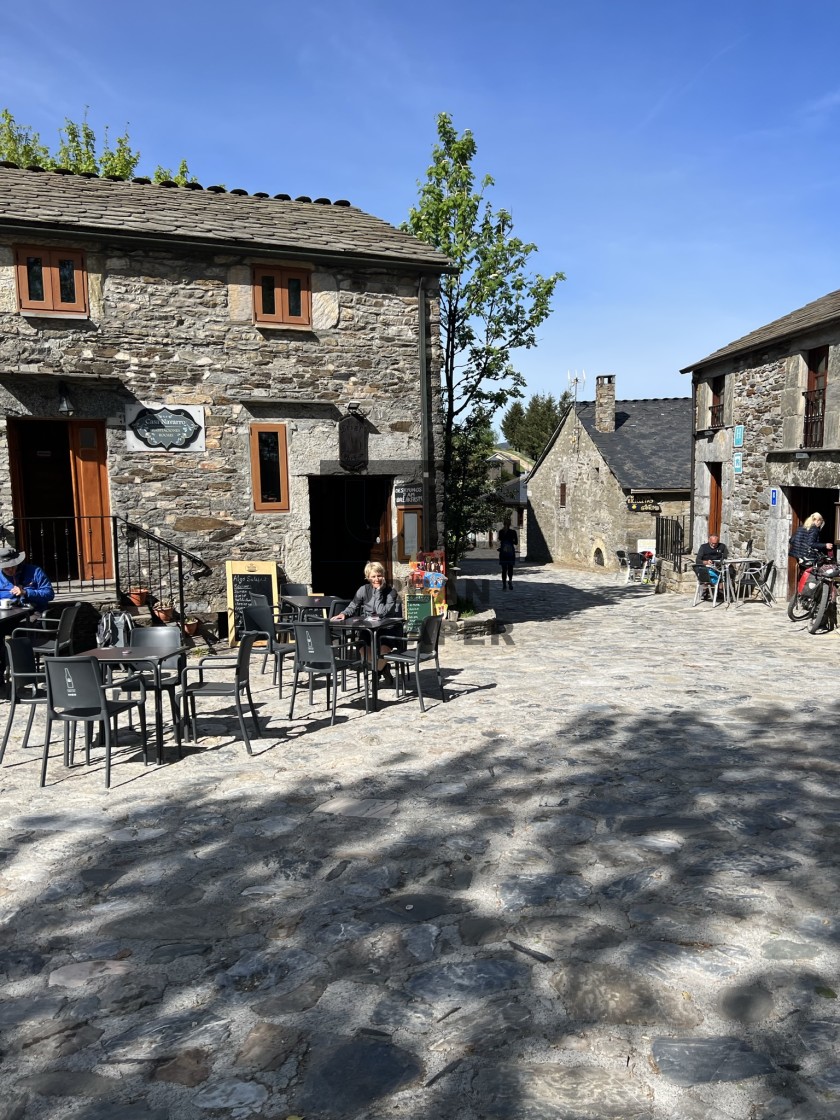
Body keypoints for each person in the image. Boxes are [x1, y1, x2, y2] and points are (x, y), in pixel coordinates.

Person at [331, 561, 400, 686]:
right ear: (368, 577)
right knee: (363, 650)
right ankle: (382, 669)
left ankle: (375, 674)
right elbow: (353, 604)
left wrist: (379, 592)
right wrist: (344, 613)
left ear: (383, 575)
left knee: (383, 650)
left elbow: (381, 612)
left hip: (387, 628)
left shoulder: (391, 592)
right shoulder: (363, 589)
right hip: (369, 628)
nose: (376, 579)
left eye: (379, 575)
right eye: (373, 576)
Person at [0, 546, 54, 611]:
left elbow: (49, 594)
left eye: (13, 566)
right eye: (6, 568)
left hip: (33, 611)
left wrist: (26, 592)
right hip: (8, 612)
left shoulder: (35, 571)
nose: (11, 570)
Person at [693, 533, 726, 601]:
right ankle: (706, 590)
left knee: (727, 571)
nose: (714, 545)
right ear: (709, 541)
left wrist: (719, 562)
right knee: (706, 572)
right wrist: (706, 562)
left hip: (718, 566)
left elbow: (725, 557)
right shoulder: (703, 547)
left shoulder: (722, 546)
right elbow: (698, 560)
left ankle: (720, 590)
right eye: (712, 543)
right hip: (707, 567)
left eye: (716, 543)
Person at [497, 517, 518, 590]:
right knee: (510, 568)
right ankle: (510, 580)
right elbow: (516, 542)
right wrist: (511, 541)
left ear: (503, 523)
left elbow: (500, 540)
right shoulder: (513, 532)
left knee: (504, 569)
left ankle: (504, 585)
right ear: (510, 524)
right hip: (510, 552)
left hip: (503, 552)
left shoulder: (500, 532)